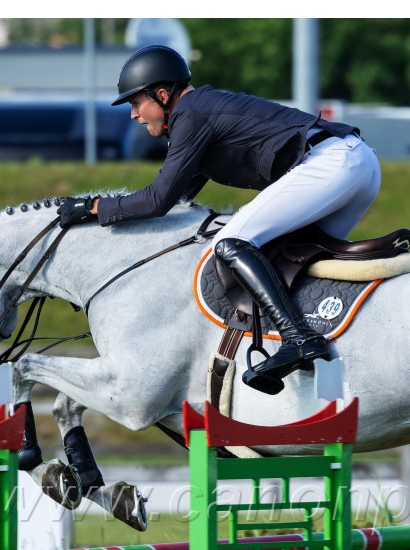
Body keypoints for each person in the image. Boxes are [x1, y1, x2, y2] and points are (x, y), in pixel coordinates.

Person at [57, 45, 382, 394]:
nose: (134, 114)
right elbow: (177, 201)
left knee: (230, 242)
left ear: (162, 95)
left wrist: (93, 207)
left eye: (136, 103)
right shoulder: (198, 113)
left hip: (333, 163)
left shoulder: (191, 114)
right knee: (291, 258)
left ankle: (298, 339)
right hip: (357, 165)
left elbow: (157, 200)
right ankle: (322, 352)